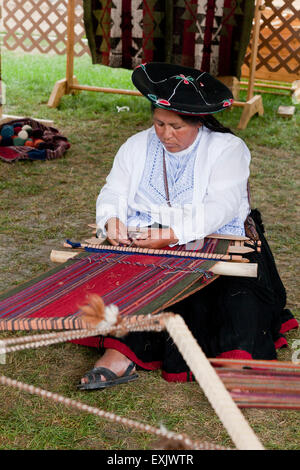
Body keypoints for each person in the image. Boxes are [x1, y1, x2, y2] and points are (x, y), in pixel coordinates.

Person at [78, 62, 298, 390]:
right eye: (159, 124)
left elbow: (221, 207)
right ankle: (120, 356)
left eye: (176, 126)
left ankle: (236, 361)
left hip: (219, 240)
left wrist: (172, 236)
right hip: (151, 241)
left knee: (232, 296)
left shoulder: (227, 149)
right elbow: (115, 190)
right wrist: (113, 220)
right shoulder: (136, 146)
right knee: (143, 286)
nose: (166, 134)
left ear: (198, 121)